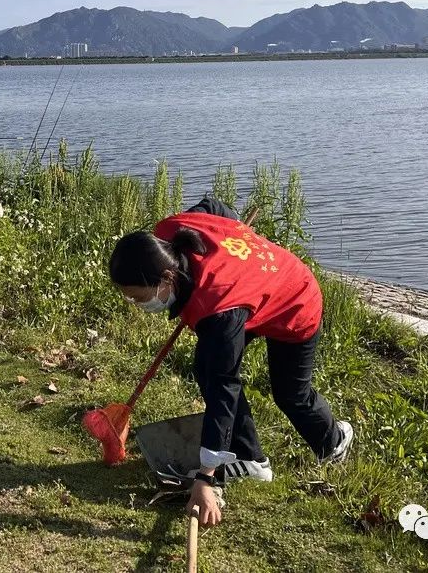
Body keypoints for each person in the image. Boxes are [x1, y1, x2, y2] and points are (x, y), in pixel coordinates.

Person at [108, 197, 354, 528]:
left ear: (167, 279)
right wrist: (235, 231)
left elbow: (225, 389)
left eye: (139, 297)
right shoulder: (169, 232)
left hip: (294, 301)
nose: (137, 304)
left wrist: (205, 479)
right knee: (206, 367)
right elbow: (214, 206)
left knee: (288, 393)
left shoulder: (218, 310)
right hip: (251, 295)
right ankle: (252, 460)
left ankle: (334, 442)